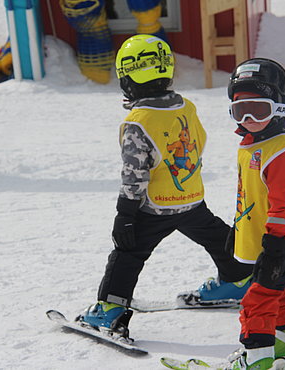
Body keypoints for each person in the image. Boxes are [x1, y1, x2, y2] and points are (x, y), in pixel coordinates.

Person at [77, 34, 253, 338]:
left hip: (155, 206)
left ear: (128, 78)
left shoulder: (139, 121)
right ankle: (237, 279)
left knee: (128, 253)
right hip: (191, 197)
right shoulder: (187, 106)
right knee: (216, 236)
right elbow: (199, 143)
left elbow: (135, 175)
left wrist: (126, 215)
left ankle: (109, 310)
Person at [223, 58, 285, 369]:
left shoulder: (284, 152)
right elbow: (252, 196)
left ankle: (257, 360)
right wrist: (238, 229)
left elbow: (284, 205)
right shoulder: (256, 145)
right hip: (270, 237)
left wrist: (274, 251)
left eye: (260, 109)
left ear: (280, 109)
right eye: (241, 111)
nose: (251, 118)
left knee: (257, 300)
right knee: (279, 291)